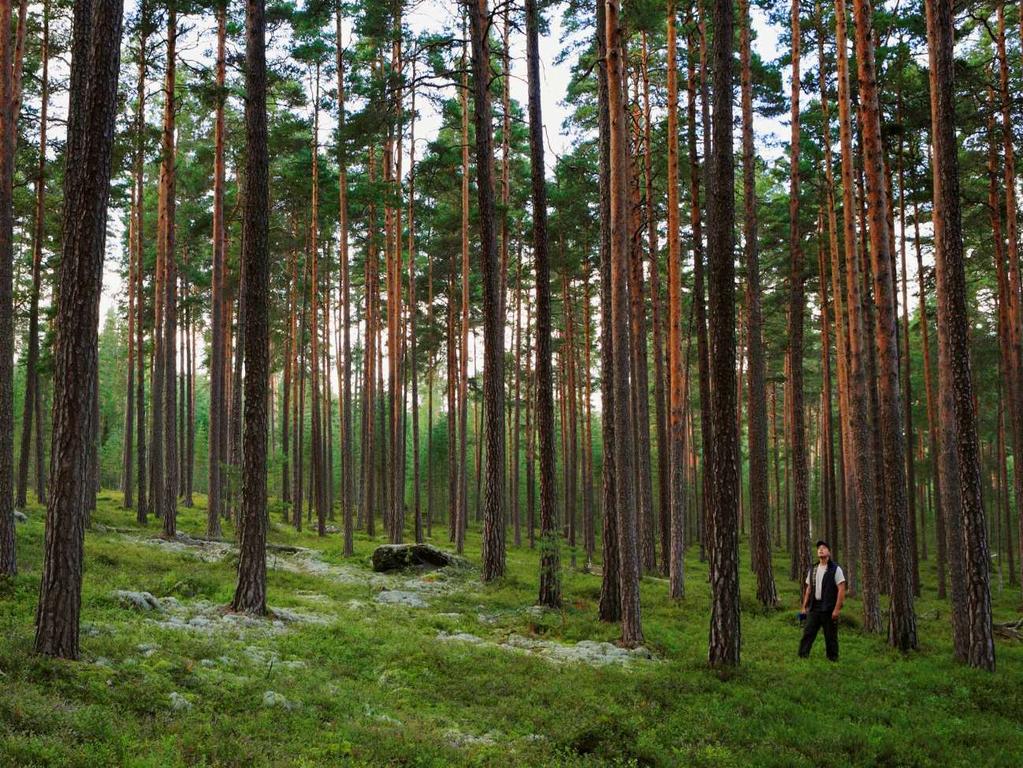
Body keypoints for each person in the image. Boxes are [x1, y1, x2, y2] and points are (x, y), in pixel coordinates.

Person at [798, 540, 846, 661]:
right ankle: (802, 656)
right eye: (819, 548)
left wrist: (836, 609)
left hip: (829, 608)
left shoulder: (835, 569)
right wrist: (804, 607)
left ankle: (833, 659)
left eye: (824, 548)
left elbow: (841, 589)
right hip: (814, 607)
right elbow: (809, 589)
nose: (820, 550)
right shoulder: (813, 569)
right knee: (808, 632)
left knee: (830, 636)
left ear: (829, 552)